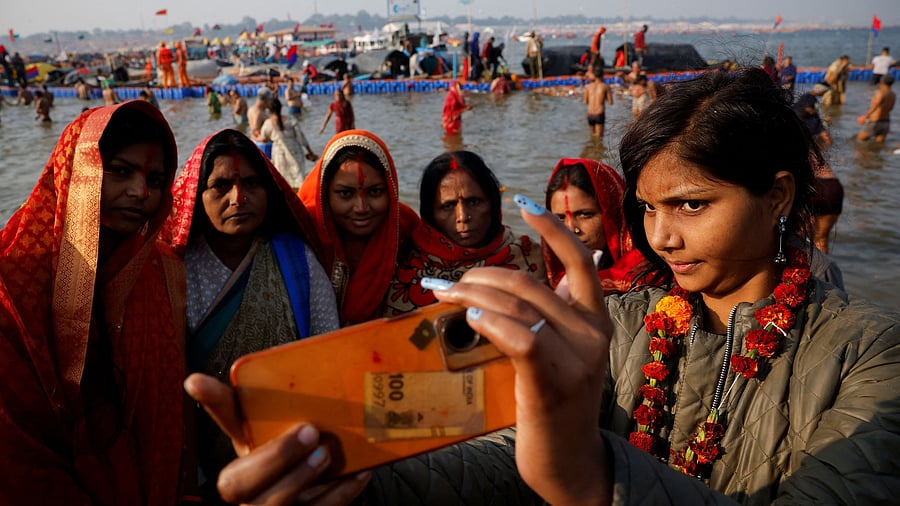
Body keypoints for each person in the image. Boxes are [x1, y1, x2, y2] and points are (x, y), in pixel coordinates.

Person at [180, 70, 900, 506]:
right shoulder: (619, 322)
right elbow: (508, 459)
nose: (663, 237)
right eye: (648, 209)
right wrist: (358, 481)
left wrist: (589, 479)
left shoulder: (870, 355)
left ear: (777, 197)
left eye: (691, 205)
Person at [0, 101, 188, 503]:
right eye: (120, 171)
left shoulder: (161, 272)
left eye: (155, 180)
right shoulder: (13, 277)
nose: (141, 193)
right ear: (77, 169)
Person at [161, 128, 339, 502]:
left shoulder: (298, 262)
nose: (238, 198)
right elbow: (163, 387)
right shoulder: (174, 272)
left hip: (293, 450)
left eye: (252, 184)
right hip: (196, 459)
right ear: (197, 194)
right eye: (221, 186)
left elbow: (327, 354)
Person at [384, 151, 545, 316]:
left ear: (493, 203)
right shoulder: (408, 268)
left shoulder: (528, 256)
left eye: (474, 202)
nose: (462, 217)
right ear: (430, 214)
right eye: (447, 206)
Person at [299, 129, 418, 325]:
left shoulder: (405, 227)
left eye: (375, 192)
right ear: (324, 192)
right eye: (345, 194)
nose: (361, 208)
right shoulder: (304, 231)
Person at [543, 158, 646, 295]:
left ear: (615, 214)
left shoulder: (651, 272)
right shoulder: (540, 269)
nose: (571, 230)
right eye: (559, 218)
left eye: (585, 214)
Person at [261, 98, 318, 189]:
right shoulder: (291, 120)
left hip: (279, 154)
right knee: (298, 180)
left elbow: (264, 139)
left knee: (283, 182)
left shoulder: (268, 124)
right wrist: (310, 151)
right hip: (295, 152)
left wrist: (254, 136)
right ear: (281, 108)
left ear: (269, 110)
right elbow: (301, 138)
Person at [811, 161, 844, 254]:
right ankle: (821, 268)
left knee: (794, 239)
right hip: (831, 185)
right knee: (821, 240)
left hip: (811, 182)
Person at [857, 73, 896, 142]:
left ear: (881, 83)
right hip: (886, 122)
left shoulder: (881, 93)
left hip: (875, 122)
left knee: (858, 141)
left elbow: (874, 106)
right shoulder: (893, 94)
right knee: (878, 145)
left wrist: (865, 117)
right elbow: (890, 108)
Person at [793, 82, 832, 146]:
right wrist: (822, 116)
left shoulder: (808, 96)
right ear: (820, 90)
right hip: (810, 122)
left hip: (808, 122)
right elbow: (808, 109)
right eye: (824, 92)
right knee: (827, 139)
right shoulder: (810, 97)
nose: (824, 94)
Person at [584, 68, 613, 138]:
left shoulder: (587, 87)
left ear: (594, 75)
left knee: (592, 137)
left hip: (590, 114)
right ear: (603, 75)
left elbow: (585, 102)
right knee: (599, 138)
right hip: (599, 114)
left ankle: (592, 148)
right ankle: (598, 149)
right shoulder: (605, 86)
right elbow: (610, 102)